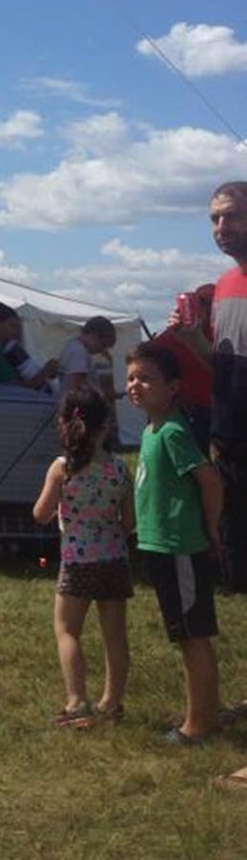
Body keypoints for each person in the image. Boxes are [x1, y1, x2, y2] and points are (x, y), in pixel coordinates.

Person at [126, 341, 223, 744]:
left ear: (173, 387)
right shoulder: (151, 430)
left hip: (179, 546)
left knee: (190, 636)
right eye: (131, 377)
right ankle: (207, 713)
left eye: (146, 378)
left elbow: (211, 482)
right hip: (160, 547)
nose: (135, 385)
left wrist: (210, 528)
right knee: (188, 633)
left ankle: (197, 725)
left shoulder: (172, 432)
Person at [32, 386, 134, 726]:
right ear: (106, 426)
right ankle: (112, 703)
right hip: (114, 560)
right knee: (115, 635)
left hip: (78, 561)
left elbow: (41, 514)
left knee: (67, 631)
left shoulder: (62, 468)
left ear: (65, 425)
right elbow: (130, 522)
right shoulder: (120, 469)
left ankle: (77, 702)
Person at [209, 182, 247, 594]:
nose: (222, 226)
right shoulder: (223, 284)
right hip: (229, 429)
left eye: (232, 215)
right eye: (215, 219)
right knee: (233, 514)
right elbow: (220, 361)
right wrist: (189, 339)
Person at [157, 284, 216, 453]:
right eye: (199, 302)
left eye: (208, 302)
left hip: (214, 411)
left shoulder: (221, 334)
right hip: (181, 409)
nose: (204, 307)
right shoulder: (176, 334)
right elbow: (145, 359)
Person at [0, 301, 59, 391]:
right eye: (11, 325)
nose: (15, 331)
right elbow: (14, 390)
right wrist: (45, 372)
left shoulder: (3, 350)